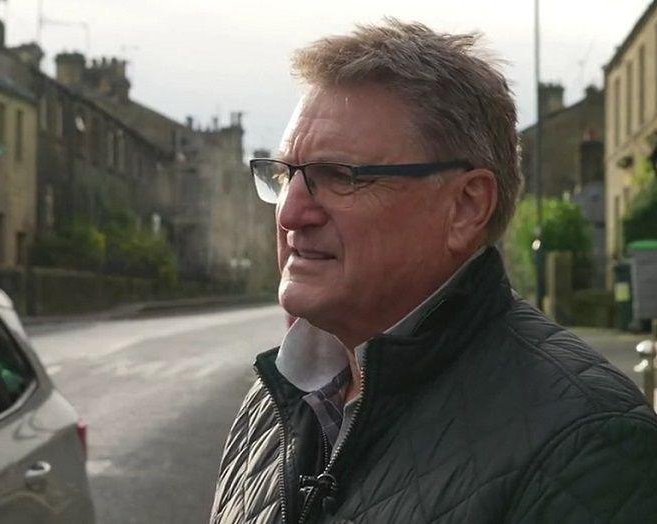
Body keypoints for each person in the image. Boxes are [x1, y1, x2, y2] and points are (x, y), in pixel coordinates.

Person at [211, 19, 657, 523]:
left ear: (466, 207)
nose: (290, 215)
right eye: (284, 175)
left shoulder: (586, 444)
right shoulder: (271, 401)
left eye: (338, 177)